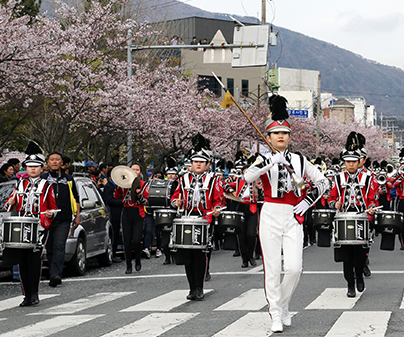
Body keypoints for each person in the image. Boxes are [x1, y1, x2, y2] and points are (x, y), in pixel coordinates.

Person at [244, 95, 329, 333]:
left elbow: (324, 183)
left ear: (290, 137)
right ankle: (275, 312)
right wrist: (270, 162)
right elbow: (247, 177)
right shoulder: (263, 158)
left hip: (293, 215)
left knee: (293, 267)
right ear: (268, 137)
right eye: (275, 133)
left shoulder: (301, 160)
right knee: (271, 268)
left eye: (285, 133)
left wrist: (308, 202)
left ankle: (283, 303)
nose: (280, 137)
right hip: (270, 212)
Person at [171, 133, 224, 301]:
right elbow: (174, 197)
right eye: (195, 162)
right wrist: (176, 202)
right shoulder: (183, 178)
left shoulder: (213, 179)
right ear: (191, 164)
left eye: (201, 162)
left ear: (208, 164)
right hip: (186, 218)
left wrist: (216, 210)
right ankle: (191, 288)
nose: (198, 165)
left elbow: (218, 200)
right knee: (187, 255)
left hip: (205, 219)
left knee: (200, 254)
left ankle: (199, 287)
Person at [5, 149, 57, 306]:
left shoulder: (47, 186)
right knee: (22, 260)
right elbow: (9, 204)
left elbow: (53, 208)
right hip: (21, 225)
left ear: (41, 168)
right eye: (29, 166)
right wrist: (11, 203)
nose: (33, 169)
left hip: (39, 226)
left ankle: (34, 293)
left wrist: (49, 214)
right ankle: (26, 294)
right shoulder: (20, 184)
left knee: (34, 260)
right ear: (25, 169)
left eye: (36, 166)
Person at [328, 131, 376, 298]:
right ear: (344, 162)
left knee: (361, 253)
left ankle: (360, 276)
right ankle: (350, 284)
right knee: (346, 255)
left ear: (359, 162)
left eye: (353, 162)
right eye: (347, 162)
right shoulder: (337, 178)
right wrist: (335, 203)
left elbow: (372, 199)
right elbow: (331, 198)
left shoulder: (369, 178)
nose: (350, 165)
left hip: (362, 218)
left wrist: (371, 208)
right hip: (343, 219)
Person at [42, 151, 80, 287]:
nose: (54, 162)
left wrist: (77, 216)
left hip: (64, 218)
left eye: (57, 159)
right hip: (47, 219)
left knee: (59, 246)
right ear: (48, 162)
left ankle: (56, 274)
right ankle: (52, 272)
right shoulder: (43, 179)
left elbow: (76, 198)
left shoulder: (68, 179)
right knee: (50, 248)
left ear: (61, 162)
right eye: (51, 159)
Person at [114, 163, 148, 273]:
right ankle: (128, 265)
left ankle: (138, 260)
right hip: (126, 212)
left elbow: (145, 201)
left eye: (137, 170)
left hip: (138, 212)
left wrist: (139, 195)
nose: (135, 171)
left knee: (137, 240)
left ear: (140, 173)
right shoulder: (124, 183)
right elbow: (116, 196)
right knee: (126, 240)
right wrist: (119, 188)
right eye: (132, 169)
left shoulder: (143, 184)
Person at [103, 168, 123, 263]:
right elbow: (109, 200)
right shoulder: (109, 186)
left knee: (115, 233)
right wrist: (121, 202)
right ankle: (113, 254)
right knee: (113, 233)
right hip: (112, 213)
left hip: (117, 213)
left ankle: (114, 253)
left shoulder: (116, 186)